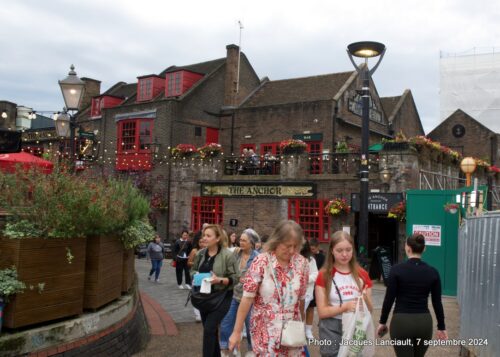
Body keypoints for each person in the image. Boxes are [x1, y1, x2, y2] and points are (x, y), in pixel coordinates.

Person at [229, 220, 309, 356]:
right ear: (277, 241)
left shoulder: (302, 263)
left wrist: (302, 326)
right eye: (287, 246)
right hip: (265, 331)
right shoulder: (261, 262)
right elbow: (247, 299)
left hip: (291, 330)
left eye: (295, 247)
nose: (291, 251)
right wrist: (236, 332)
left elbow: (300, 300)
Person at [377, 233, 448, 357]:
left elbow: (389, 299)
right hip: (424, 323)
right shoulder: (433, 272)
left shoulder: (396, 270)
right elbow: (437, 302)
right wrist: (441, 327)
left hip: (401, 322)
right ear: (424, 248)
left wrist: (382, 322)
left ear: (407, 248)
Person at [315, 231, 373, 357]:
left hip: (355, 325)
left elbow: (370, 309)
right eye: (339, 250)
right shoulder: (324, 275)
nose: (345, 254)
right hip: (331, 327)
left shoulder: (362, 274)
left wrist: (364, 300)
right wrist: (345, 307)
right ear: (332, 251)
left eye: (348, 249)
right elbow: (322, 312)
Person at [191, 224, 239, 357]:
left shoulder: (227, 256)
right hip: (204, 297)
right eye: (204, 235)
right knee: (211, 332)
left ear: (217, 238)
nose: (204, 238)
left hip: (222, 297)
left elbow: (236, 277)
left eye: (208, 235)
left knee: (209, 330)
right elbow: (193, 270)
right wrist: (195, 276)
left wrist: (219, 280)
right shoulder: (201, 254)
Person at [220, 229, 260, 357]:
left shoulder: (257, 258)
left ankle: (251, 350)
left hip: (250, 298)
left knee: (250, 326)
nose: (240, 242)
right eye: (240, 240)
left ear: (252, 243)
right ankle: (225, 349)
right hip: (234, 295)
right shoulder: (235, 253)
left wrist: (249, 280)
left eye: (244, 240)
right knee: (226, 322)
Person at [306, 238, 325, 335]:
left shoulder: (322, 257)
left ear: (318, 247)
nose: (311, 251)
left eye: (313, 249)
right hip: (307, 286)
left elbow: (321, 272)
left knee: (311, 308)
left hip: (316, 285)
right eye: (310, 249)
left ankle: (308, 330)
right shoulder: (306, 256)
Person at [300, 240, 319, 340]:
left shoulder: (311, 259)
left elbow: (315, 274)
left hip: (306, 292)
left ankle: (306, 331)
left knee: (302, 312)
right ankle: (297, 332)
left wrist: (305, 279)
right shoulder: (291, 257)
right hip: (293, 292)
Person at [188, 233, 206, 322]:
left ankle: (203, 312)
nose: (202, 244)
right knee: (196, 293)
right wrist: (197, 264)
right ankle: (197, 314)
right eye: (200, 242)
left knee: (204, 294)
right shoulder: (195, 251)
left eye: (204, 242)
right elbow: (189, 262)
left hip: (206, 275)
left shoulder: (208, 251)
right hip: (197, 274)